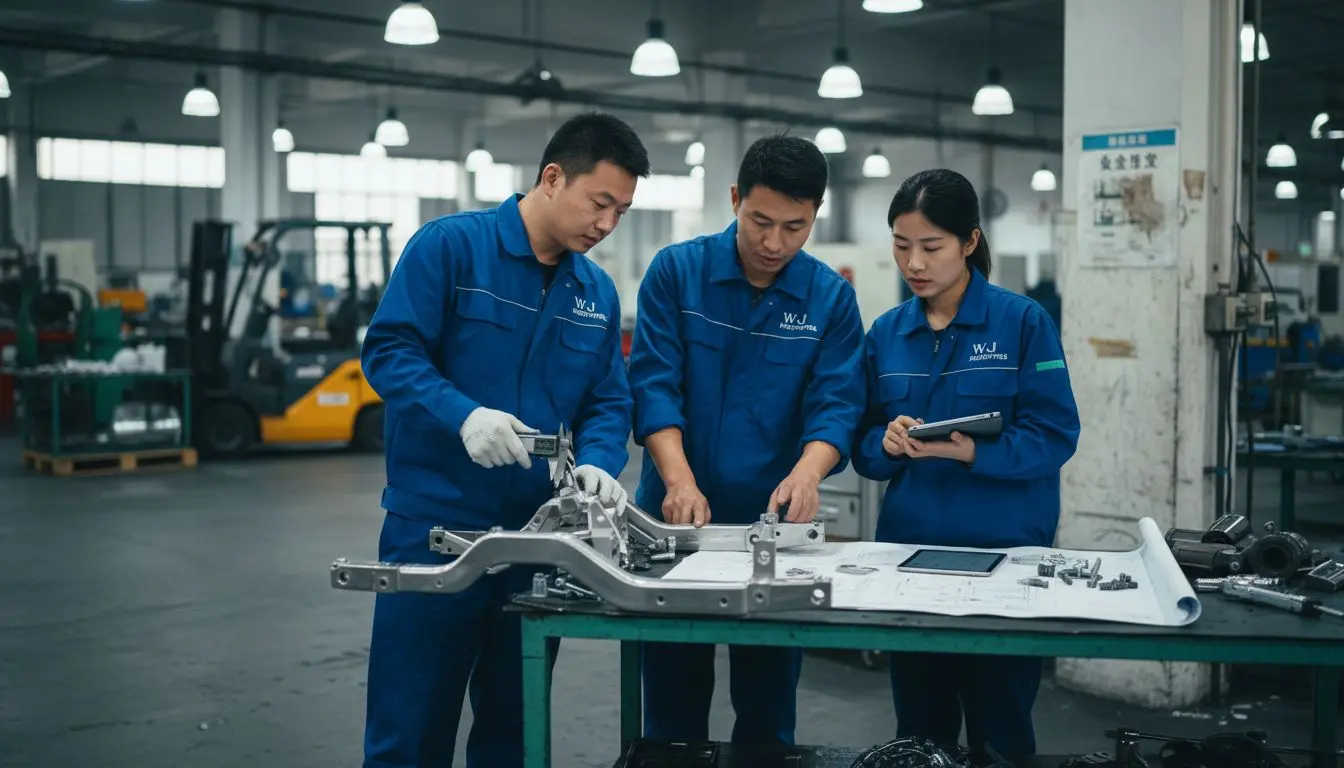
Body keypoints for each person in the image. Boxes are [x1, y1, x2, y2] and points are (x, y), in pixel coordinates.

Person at [358, 112, 649, 768]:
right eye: (600, 203)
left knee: (515, 733)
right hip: (435, 530)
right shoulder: (450, 249)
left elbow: (607, 400)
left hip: (536, 541)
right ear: (552, 178)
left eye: (622, 212)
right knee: (409, 730)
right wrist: (462, 415)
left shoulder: (595, 292)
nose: (607, 225)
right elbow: (390, 350)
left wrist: (601, 464)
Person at [626, 134, 866, 745]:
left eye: (795, 226)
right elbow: (654, 386)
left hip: (774, 531)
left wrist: (809, 473)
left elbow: (836, 403)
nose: (773, 243)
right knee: (673, 715)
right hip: (676, 526)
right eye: (760, 221)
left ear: (815, 217)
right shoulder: (677, 274)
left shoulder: (830, 298)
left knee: (766, 711)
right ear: (734, 199)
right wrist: (678, 481)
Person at [851, 169, 1081, 765]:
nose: (914, 263)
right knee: (920, 732)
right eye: (902, 246)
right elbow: (863, 444)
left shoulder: (1022, 322)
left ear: (970, 243)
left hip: (1002, 559)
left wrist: (974, 452)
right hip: (910, 558)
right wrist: (888, 442)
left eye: (931, 247)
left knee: (1000, 725)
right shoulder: (887, 334)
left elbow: (1056, 434)